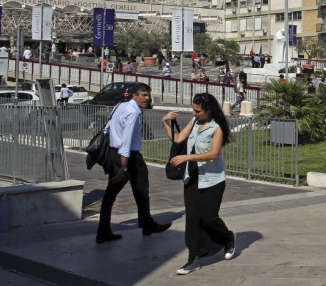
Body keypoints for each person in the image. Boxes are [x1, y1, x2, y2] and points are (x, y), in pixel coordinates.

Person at [162, 93, 235, 275]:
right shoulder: (194, 122)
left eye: (198, 111)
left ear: (208, 110)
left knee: (209, 218)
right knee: (193, 219)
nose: (195, 114)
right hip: (192, 177)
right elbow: (178, 139)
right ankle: (193, 258)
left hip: (212, 180)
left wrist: (187, 156)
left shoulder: (216, 128)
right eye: (193, 111)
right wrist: (165, 122)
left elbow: (213, 154)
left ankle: (227, 237)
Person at [96, 83, 171, 244]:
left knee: (122, 192)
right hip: (129, 157)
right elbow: (126, 141)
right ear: (134, 96)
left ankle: (106, 230)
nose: (147, 98)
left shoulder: (120, 107)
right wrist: (123, 167)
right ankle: (145, 224)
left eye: (148, 95)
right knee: (140, 190)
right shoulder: (133, 113)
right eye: (144, 95)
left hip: (115, 153)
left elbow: (107, 128)